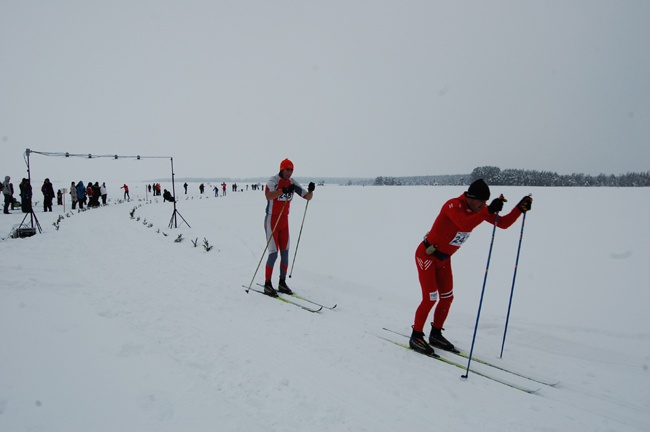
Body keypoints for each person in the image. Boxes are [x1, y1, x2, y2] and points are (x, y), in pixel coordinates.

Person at [409, 179, 533, 356]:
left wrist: (519, 209)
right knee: (430, 298)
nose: (483, 205)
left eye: (486, 202)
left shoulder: (480, 210)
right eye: (481, 201)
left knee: (447, 297)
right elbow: (464, 224)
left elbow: (503, 224)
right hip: (427, 256)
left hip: (444, 259)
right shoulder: (453, 206)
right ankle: (416, 336)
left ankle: (435, 334)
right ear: (470, 197)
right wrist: (488, 211)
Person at [262, 158, 315, 297]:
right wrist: (282, 191)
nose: (289, 172)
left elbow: (307, 197)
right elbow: (268, 195)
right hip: (272, 220)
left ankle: (282, 282)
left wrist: (311, 191)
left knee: (285, 253)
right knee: (273, 253)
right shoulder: (273, 180)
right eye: (287, 169)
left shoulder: (292, 182)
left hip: (284, 222)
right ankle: (267, 284)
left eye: (291, 170)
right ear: (281, 169)